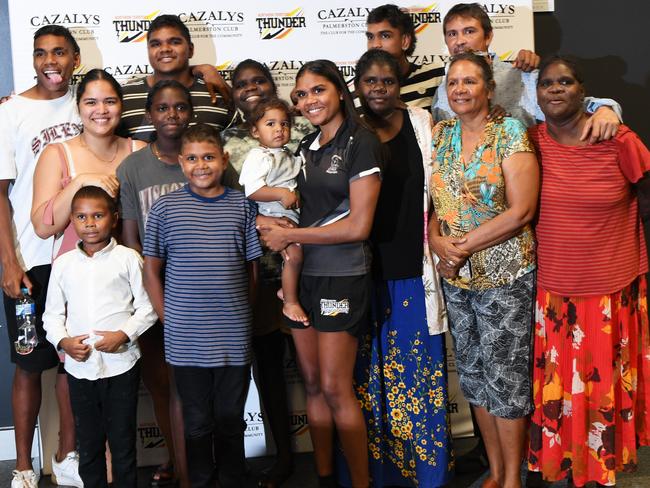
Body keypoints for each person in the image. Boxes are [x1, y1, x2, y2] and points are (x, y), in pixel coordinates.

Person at [257, 60, 383, 488]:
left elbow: (358, 226)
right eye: (302, 94)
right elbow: (305, 211)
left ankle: (360, 484)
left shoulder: (360, 142)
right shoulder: (307, 146)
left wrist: (298, 236)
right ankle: (326, 478)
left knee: (334, 387)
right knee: (311, 384)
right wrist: (280, 229)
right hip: (305, 276)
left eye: (318, 91)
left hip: (343, 276)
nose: (309, 100)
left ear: (339, 91)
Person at [527, 56, 650, 488]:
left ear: (584, 91)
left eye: (565, 82)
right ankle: (564, 466)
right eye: (547, 83)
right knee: (560, 394)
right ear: (536, 94)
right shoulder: (529, 141)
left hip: (610, 292)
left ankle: (603, 469)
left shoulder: (617, 138)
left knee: (601, 391)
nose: (555, 89)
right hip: (555, 292)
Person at [428, 53, 539, 488]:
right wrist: (437, 241)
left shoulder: (509, 131)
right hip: (457, 280)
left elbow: (522, 210)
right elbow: (436, 205)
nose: (459, 89)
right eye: (453, 82)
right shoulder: (441, 135)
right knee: (474, 377)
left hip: (505, 277)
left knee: (506, 381)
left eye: (469, 81)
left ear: (488, 88)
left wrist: (462, 247)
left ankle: (514, 478)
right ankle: (495, 470)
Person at [352, 48, 452, 487]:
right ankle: (376, 475)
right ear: (357, 85)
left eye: (387, 81)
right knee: (366, 382)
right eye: (370, 81)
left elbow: (441, 186)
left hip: (413, 269)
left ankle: (427, 475)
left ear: (400, 84)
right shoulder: (346, 128)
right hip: (357, 273)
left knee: (419, 376)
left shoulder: (421, 123)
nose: (379, 89)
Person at [143, 124, 262, 488]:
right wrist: (169, 320)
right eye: (192, 159)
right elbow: (151, 271)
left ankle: (234, 479)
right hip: (186, 337)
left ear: (224, 160)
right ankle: (199, 480)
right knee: (196, 420)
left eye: (209, 157)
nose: (201, 166)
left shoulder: (242, 206)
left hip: (233, 335)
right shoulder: (165, 209)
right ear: (181, 164)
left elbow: (252, 269)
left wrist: (245, 316)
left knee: (230, 416)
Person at [0, 24, 82, 488]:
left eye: (59, 52)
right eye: (41, 54)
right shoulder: (10, 112)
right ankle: (24, 466)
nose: (50, 61)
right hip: (32, 261)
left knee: (73, 361)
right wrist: (8, 261)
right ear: (33, 60)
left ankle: (66, 455)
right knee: (29, 362)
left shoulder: (88, 99)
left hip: (83, 255)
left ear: (74, 58)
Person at [222, 59, 310, 488]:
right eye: (242, 84)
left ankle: (325, 457)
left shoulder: (296, 139)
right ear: (232, 92)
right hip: (255, 266)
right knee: (267, 370)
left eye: (260, 81)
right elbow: (229, 203)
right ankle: (276, 457)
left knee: (314, 368)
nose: (251, 88)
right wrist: (266, 225)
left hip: (303, 260)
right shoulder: (224, 145)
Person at [42, 185, 157, 488]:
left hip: (122, 366)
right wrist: (64, 343)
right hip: (80, 369)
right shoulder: (64, 264)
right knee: (89, 444)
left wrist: (123, 334)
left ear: (114, 218)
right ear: (72, 221)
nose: (90, 223)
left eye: (97, 215)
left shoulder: (129, 258)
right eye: (81, 217)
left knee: (122, 442)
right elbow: (52, 315)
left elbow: (148, 308)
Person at [117, 79, 193, 487]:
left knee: (198, 388)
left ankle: (200, 467)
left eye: (180, 107)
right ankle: (182, 467)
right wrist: (149, 296)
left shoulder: (202, 157)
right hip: (154, 293)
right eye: (163, 108)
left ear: (190, 112)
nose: (172, 115)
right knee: (163, 388)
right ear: (149, 115)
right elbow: (131, 239)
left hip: (203, 293)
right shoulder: (132, 168)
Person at [431, 2, 621, 142]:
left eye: (469, 31)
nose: (460, 41)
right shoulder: (443, 89)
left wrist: (606, 109)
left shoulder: (522, 75)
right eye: (452, 34)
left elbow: (572, 104)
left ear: (488, 36)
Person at [31, 68, 144, 259]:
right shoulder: (56, 154)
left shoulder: (139, 150)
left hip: (130, 275)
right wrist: (79, 182)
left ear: (121, 106)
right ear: (78, 107)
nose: (101, 110)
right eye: (91, 102)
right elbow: (42, 228)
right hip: (75, 277)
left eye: (110, 101)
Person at [239, 97, 306, 324]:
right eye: (270, 124)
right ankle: (289, 300)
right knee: (294, 255)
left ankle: (288, 291)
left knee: (301, 255)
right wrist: (281, 194)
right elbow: (252, 190)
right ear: (255, 132)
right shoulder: (259, 156)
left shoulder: (287, 154)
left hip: (291, 215)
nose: (279, 129)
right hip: (273, 215)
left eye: (284, 123)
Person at [119, 14, 234, 143]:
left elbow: (238, 146)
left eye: (174, 42)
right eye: (156, 44)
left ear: (190, 50)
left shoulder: (216, 92)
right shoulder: (124, 96)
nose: (165, 49)